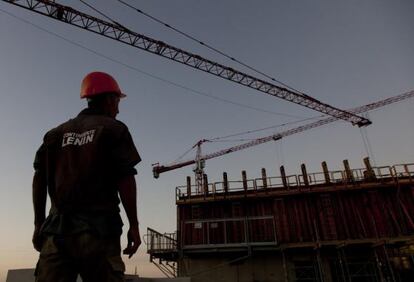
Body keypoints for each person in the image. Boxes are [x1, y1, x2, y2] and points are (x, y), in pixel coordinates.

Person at [32, 71, 141, 282]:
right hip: (99, 232)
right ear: (110, 99)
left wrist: (39, 224)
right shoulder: (114, 129)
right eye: (118, 101)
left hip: (56, 233)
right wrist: (134, 226)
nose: (118, 109)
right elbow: (126, 178)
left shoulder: (55, 134)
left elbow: (39, 178)